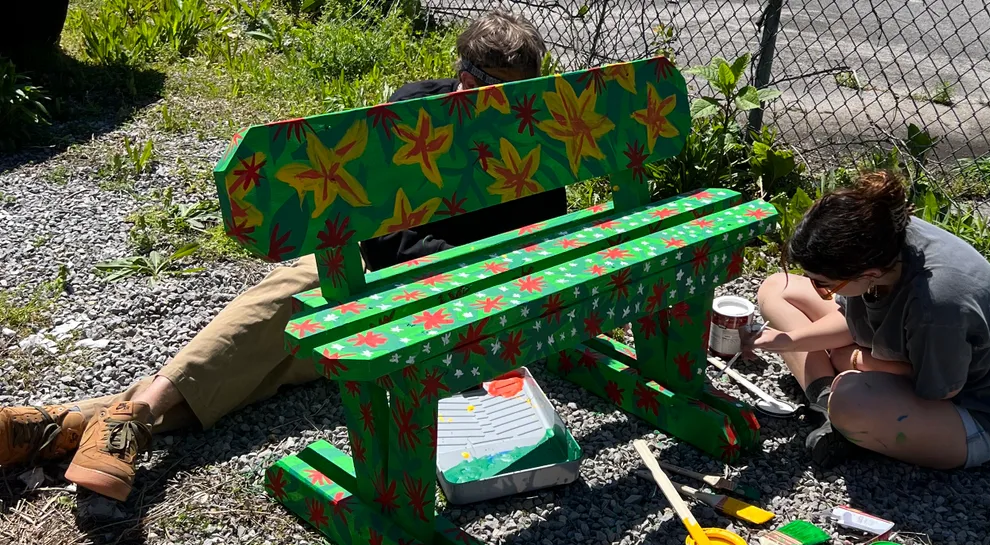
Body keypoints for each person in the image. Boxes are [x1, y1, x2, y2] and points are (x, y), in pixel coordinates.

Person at [0, 10, 567, 502]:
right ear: (465, 79)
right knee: (274, 315)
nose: (512, 104)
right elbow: (373, 219)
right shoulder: (412, 108)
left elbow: (529, 243)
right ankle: (126, 418)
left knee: (266, 360)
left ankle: (75, 423)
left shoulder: (536, 139)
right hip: (368, 264)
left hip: (432, 293)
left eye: (522, 91)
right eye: (498, 89)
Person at [748, 171, 990, 470]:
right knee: (776, 289)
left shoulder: (937, 303)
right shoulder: (879, 242)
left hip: (970, 415)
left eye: (824, 283)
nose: (819, 291)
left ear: (868, 275)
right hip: (903, 354)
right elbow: (849, 321)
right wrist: (784, 340)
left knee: (850, 400)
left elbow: (940, 389)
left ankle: (841, 413)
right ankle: (824, 403)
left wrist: (859, 361)